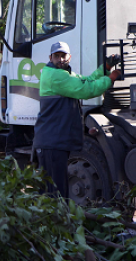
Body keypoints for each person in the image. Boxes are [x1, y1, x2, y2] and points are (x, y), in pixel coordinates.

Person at [33, 41, 121, 198]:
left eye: (63, 56)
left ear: (69, 57)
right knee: (54, 194)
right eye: (56, 56)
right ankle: (54, 222)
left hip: (54, 142)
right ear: (50, 57)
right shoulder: (55, 76)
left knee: (56, 192)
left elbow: (87, 80)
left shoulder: (66, 75)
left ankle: (56, 221)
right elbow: (86, 90)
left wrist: (105, 68)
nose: (60, 59)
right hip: (51, 143)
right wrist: (111, 79)